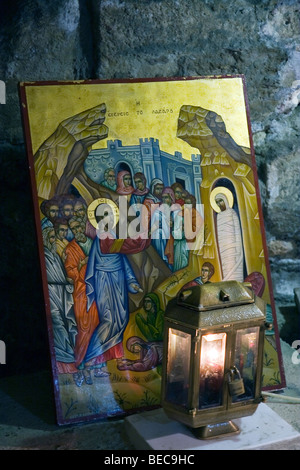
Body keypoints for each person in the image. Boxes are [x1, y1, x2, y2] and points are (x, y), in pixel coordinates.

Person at [83, 215, 141, 377]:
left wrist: (131, 282)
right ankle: (89, 359)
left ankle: (101, 363)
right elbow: (95, 265)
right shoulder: (101, 241)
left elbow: (124, 262)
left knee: (121, 320)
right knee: (109, 321)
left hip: (119, 279)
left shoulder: (115, 240)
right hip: (104, 279)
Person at [64, 216, 99, 383]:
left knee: (96, 324)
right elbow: (69, 272)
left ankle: (92, 364)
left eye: (79, 227)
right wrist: (80, 266)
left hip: (96, 290)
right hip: (81, 292)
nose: (77, 231)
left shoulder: (93, 243)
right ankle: (80, 362)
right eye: (74, 229)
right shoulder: (70, 249)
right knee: (83, 327)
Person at [42, 227, 79, 383]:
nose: (53, 241)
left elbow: (62, 275)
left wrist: (67, 282)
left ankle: (71, 361)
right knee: (58, 325)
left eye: (53, 237)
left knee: (69, 324)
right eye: (50, 238)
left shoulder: (55, 256)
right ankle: (66, 360)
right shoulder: (44, 254)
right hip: (51, 293)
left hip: (62, 293)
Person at [214, 191, 244, 282]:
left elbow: (237, 233)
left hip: (232, 248)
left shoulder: (232, 213)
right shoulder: (218, 216)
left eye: (221, 201)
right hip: (223, 248)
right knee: (225, 268)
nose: (219, 203)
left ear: (225, 200)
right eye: (217, 202)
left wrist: (238, 249)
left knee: (233, 268)